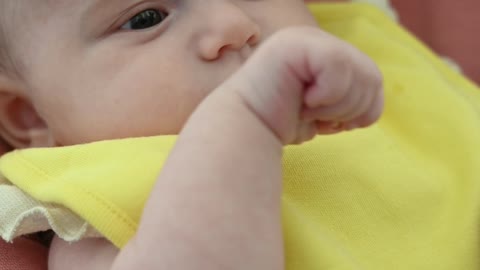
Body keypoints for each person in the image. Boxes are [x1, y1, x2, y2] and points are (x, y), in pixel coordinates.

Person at [1, 1, 479, 270]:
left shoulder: (361, 50)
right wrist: (247, 117)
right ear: (32, 117)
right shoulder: (100, 214)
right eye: (147, 18)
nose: (234, 22)